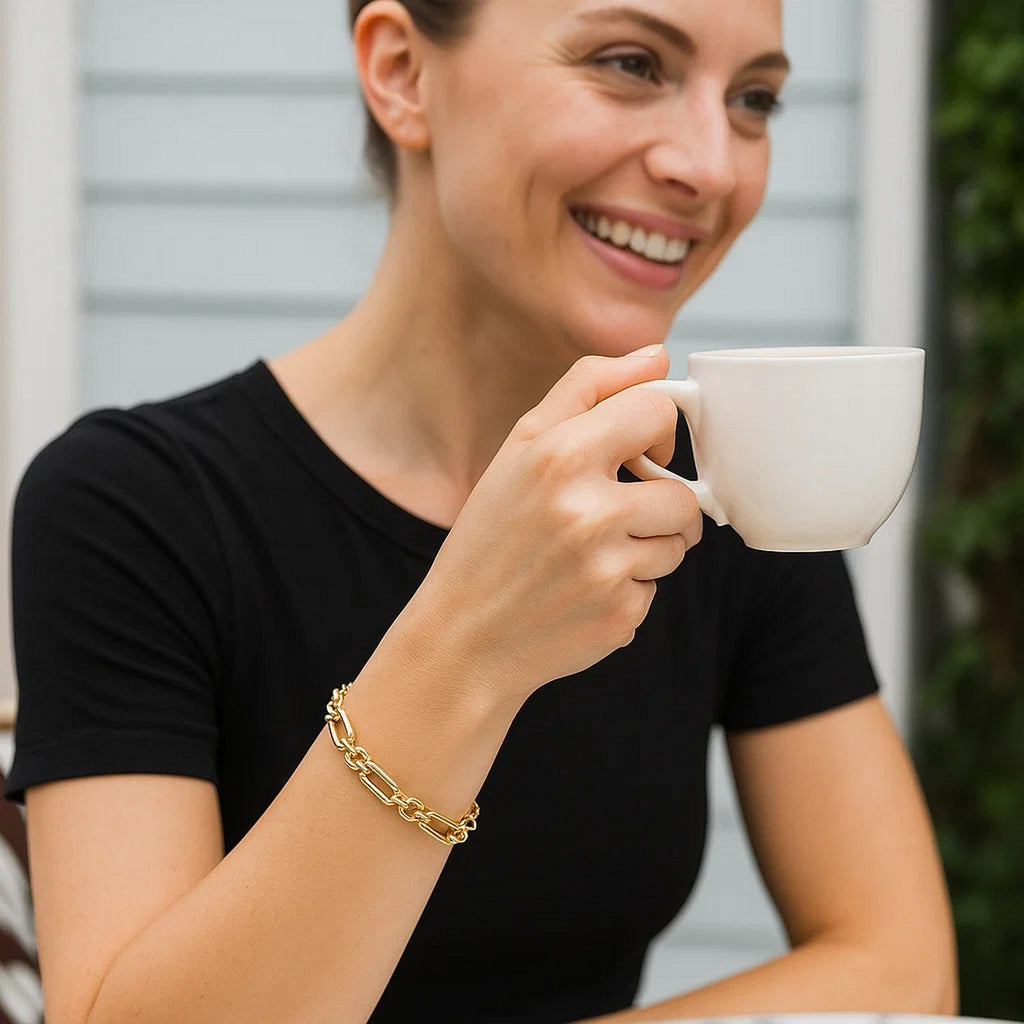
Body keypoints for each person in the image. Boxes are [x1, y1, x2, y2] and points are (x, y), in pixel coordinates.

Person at [5, 1, 958, 1021]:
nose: (713, 165)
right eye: (631, 63)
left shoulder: (725, 486)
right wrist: (471, 642)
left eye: (754, 98)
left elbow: (899, 965)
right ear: (402, 72)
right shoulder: (136, 507)